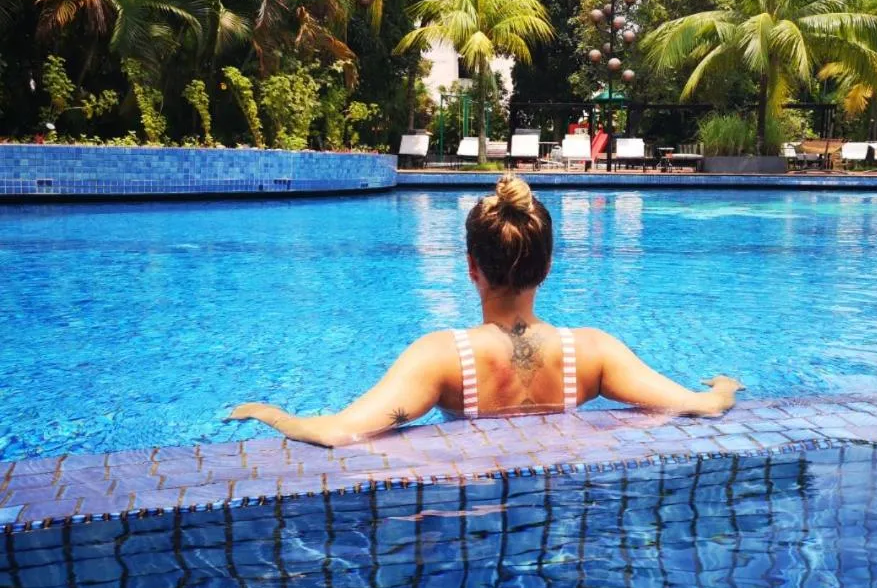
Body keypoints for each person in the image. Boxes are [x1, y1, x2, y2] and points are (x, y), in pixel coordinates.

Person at [227, 174, 743, 446]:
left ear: (471, 266)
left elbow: (339, 432)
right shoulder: (592, 353)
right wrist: (724, 387)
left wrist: (273, 414)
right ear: (547, 267)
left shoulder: (441, 359)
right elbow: (698, 407)